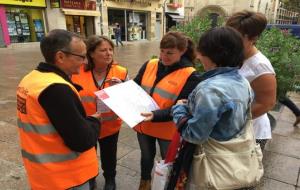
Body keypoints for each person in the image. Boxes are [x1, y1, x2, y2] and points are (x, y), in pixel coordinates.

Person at [16, 29, 101, 190]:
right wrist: (94, 120)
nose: (85, 62)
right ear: (60, 56)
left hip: (42, 172)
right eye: (81, 57)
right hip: (67, 176)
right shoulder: (57, 89)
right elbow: (82, 140)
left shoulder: (31, 79)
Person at [172, 26, 253, 190]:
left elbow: (194, 134)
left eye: (202, 52)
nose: (199, 56)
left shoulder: (210, 89)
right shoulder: (242, 81)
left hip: (210, 162)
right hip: (233, 157)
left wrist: (179, 108)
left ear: (215, 55)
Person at [133, 31, 201, 190]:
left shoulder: (190, 75)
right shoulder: (150, 64)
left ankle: (167, 186)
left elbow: (183, 107)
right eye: (161, 51)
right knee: (146, 157)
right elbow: (136, 85)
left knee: (168, 162)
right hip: (144, 123)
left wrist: (155, 115)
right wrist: (122, 86)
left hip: (168, 129)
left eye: (170, 53)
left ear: (182, 51)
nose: (164, 56)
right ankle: (145, 183)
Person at [72, 35, 128, 190]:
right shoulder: (77, 72)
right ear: (91, 53)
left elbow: (131, 98)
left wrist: (123, 86)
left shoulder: (121, 71)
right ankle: (91, 179)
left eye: (110, 49)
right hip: (86, 125)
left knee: (109, 155)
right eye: (103, 50)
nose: (108, 53)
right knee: (88, 156)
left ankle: (110, 179)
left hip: (110, 125)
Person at [226, 10, 277, 150]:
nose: (230, 41)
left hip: (252, 133)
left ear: (253, 38)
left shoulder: (260, 66)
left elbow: (266, 103)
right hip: (232, 132)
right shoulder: (235, 55)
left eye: (236, 37)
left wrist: (232, 121)